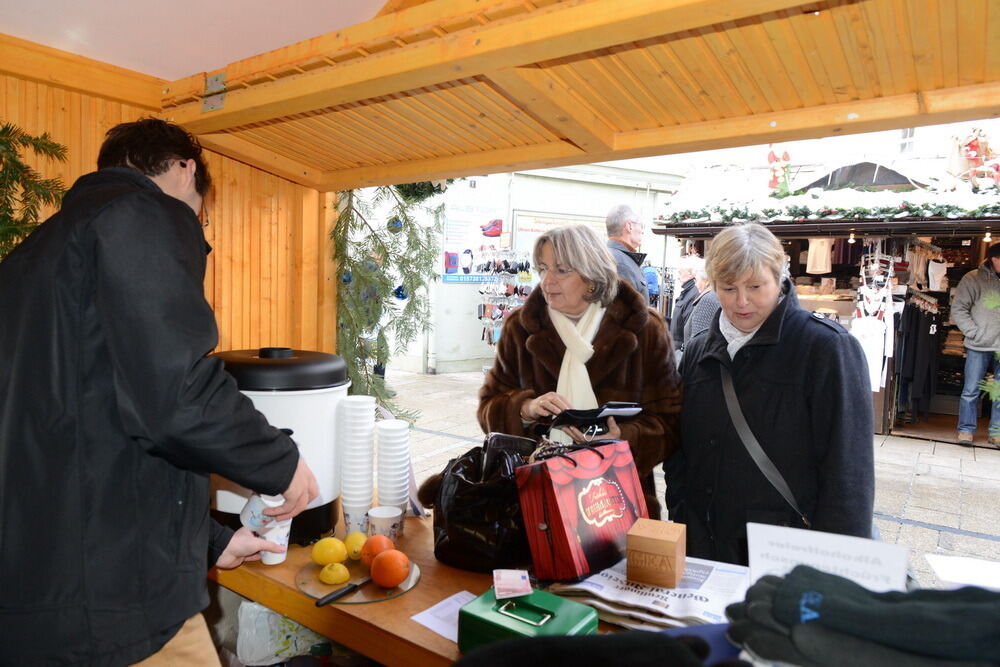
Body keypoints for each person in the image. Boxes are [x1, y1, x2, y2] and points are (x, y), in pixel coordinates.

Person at [0, 118, 319, 665]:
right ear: (184, 167)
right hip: (118, 609)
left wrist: (215, 543)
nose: (197, 223)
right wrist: (281, 461)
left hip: (38, 595)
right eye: (202, 211)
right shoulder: (141, 214)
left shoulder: (29, 258)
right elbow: (175, 398)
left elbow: (95, 427)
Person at [665, 223, 873, 565]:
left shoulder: (826, 348)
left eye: (755, 286)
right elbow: (681, 449)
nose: (741, 301)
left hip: (785, 554)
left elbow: (848, 473)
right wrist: (682, 510)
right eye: (728, 288)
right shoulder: (700, 350)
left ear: (779, 279)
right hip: (703, 546)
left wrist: (840, 566)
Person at [478, 224, 681, 516]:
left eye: (561, 270)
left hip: (618, 499)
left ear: (591, 277)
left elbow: (669, 422)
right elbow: (488, 408)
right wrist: (524, 408)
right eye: (543, 268)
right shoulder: (519, 328)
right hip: (535, 498)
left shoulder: (645, 329)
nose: (547, 281)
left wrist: (621, 440)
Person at [951, 242, 1000, 446]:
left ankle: (996, 432)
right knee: (971, 389)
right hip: (979, 344)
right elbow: (959, 308)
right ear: (994, 259)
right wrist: (973, 332)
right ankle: (966, 430)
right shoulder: (973, 278)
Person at [605, 204, 649, 302]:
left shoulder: (609, 255)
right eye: (641, 226)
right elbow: (626, 314)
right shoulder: (622, 264)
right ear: (629, 226)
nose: (642, 231)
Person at [679, 268, 720, 360]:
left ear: (707, 281)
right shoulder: (712, 296)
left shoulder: (708, 300)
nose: (696, 285)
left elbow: (698, 342)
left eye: (697, 280)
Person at [669, 255, 704, 348]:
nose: (678, 276)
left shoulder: (693, 293)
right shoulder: (689, 292)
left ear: (691, 273)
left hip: (681, 351)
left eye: (680, 272)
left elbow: (689, 328)